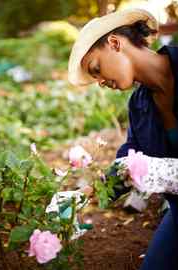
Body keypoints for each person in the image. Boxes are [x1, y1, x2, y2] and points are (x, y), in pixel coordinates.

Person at [68, 8, 178, 270]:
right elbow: (129, 160)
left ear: (115, 43)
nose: (100, 82)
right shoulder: (139, 105)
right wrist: (82, 195)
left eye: (96, 69)